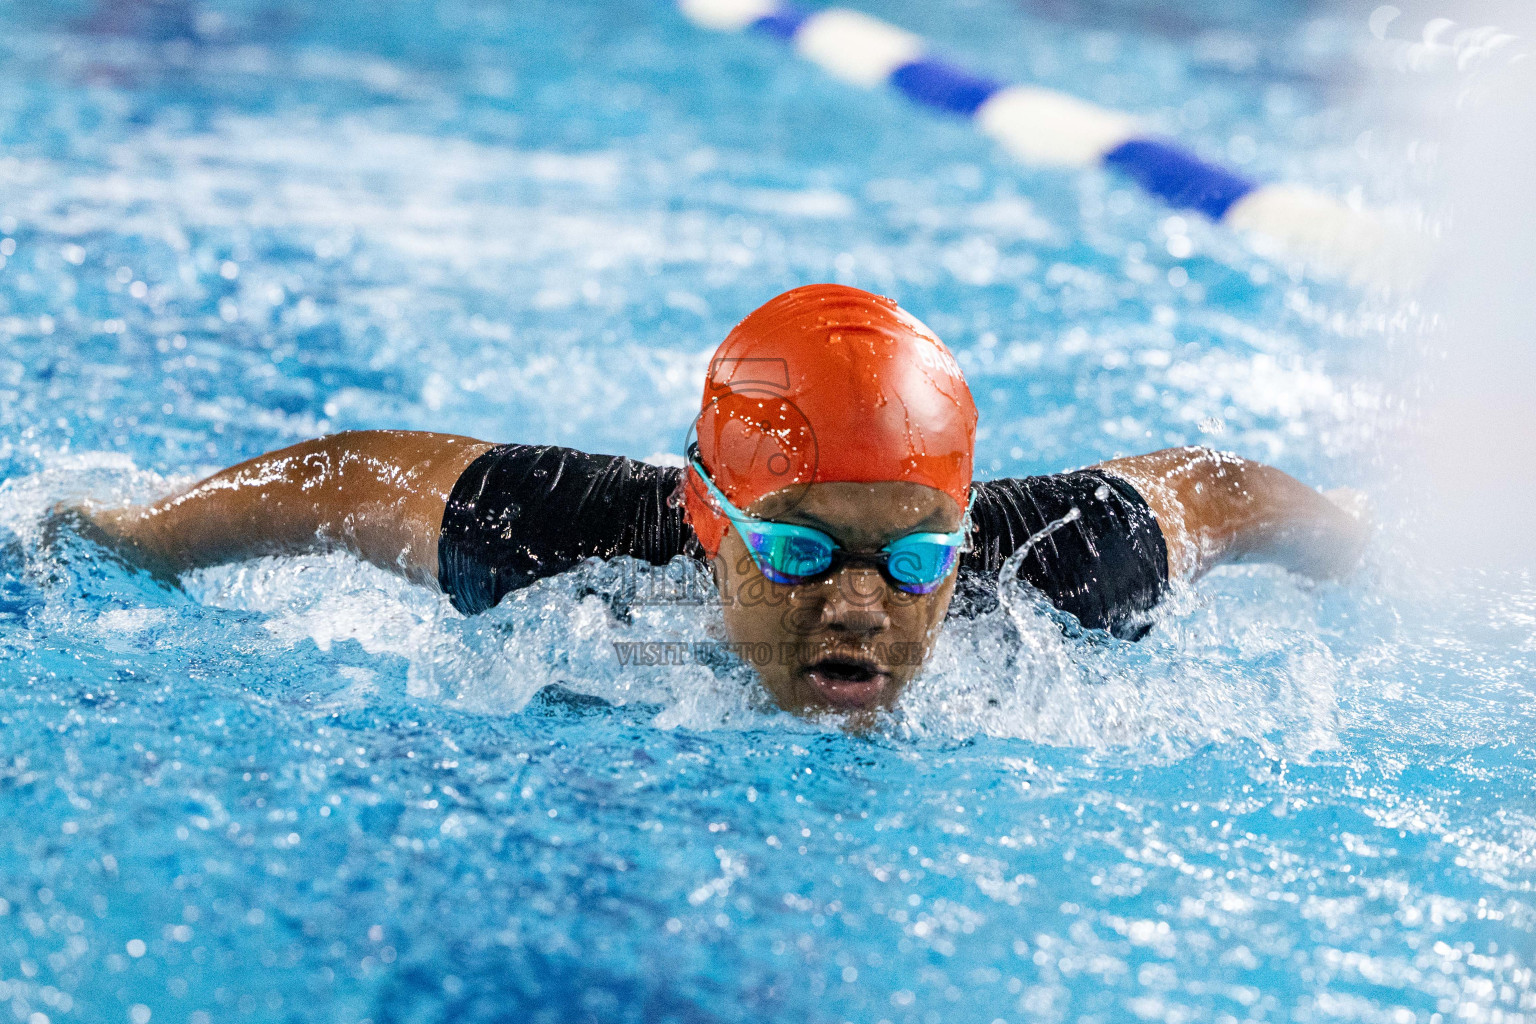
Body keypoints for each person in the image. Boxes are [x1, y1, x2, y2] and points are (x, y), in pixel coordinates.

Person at [77, 284, 1368, 714]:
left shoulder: (1065, 566)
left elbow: (1232, 491)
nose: (857, 605)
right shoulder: (560, 535)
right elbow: (345, 475)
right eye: (801, 549)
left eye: (913, 562)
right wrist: (107, 534)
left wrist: (1389, 561)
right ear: (708, 517)